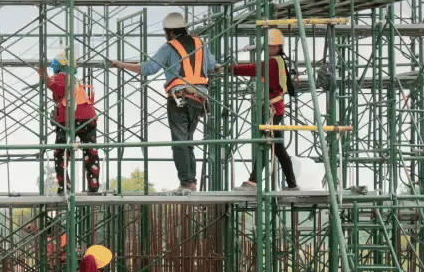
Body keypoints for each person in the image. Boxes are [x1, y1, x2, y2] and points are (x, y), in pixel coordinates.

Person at [111, 12, 215, 195]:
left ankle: (186, 183)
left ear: (171, 32)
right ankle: (190, 182)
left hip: (180, 98)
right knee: (187, 141)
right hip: (200, 99)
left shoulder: (170, 47)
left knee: (180, 142)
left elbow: (147, 69)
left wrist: (121, 64)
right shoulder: (201, 44)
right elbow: (212, 66)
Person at [229, 28, 298, 191]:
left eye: (271, 46)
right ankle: (292, 184)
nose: (268, 49)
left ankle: (254, 181)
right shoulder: (278, 61)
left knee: (264, 143)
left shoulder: (273, 62)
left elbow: (252, 68)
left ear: (278, 47)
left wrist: (229, 69)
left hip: (272, 109)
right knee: (278, 148)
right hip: (276, 107)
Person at [36, 46, 101, 194]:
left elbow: (56, 87)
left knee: (61, 153)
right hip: (88, 118)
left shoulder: (61, 77)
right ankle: (94, 184)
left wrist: (44, 77)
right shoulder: (76, 82)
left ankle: (65, 186)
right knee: (90, 152)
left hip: (69, 119)